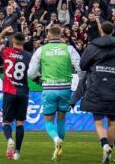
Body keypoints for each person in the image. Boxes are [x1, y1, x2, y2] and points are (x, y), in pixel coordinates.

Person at [79, 20, 115, 164]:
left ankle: (105, 145)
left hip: (97, 89)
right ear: (113, 31)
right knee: (112, 123)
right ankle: (109, 150)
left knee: (98, 122)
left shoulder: (92, 46)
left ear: (101, 30)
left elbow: (82, 65)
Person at [28, 24, 81, 162]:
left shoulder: (41, 50)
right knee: (62, 119)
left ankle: (56, 140)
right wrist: (81, 81)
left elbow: (31, 72)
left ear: (48, 36)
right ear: (60, 35)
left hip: (49, 88)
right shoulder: (69, 49)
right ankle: (59, 147)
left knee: (48, 121)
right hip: (65, 89)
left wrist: (39, 81)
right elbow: (80, 68)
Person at [0, 27, 31, 161]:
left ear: (13, 40)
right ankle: (17, 152)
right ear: (24, 41)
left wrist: (3, 32)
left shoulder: (6, 51)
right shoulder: (29, 56)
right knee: (20, 123)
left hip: (9, 91)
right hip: (23, 92)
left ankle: (9, 139)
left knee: (6, 122)